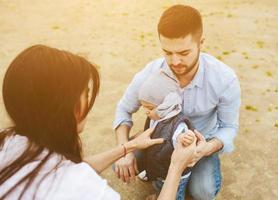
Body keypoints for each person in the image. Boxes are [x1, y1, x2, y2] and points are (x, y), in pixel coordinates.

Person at [0, 45, 206, 200]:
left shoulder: (8, 141)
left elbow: (66, 168)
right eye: (86, 93)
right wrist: (177, 166)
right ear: (69, 107)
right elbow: (71, 175)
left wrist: (129, 146)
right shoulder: (86, 190)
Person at [113, 4, 241, 200]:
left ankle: (172, 182)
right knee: (118, 163)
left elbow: (229, 127)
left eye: (183, 53)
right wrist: (125, 151)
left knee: (203, 193)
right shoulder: (151, 72)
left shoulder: (224, 79)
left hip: (201, 142)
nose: (174, 62)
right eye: (167, 52)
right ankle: (161, 179)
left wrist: (205, 148)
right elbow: (123, 110)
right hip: (159, 141)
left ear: (201, 43)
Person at [137, 70, 198, 200]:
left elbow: (185, 142)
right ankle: (159, 194)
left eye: (150, 107)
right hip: (160, 165)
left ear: (167, 105)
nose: (146, 112)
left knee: (174, 193)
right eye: (144, 107)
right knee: (159, 184)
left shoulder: (178, 126)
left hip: (174, 174)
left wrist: (186, 139)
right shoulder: (157, 116)